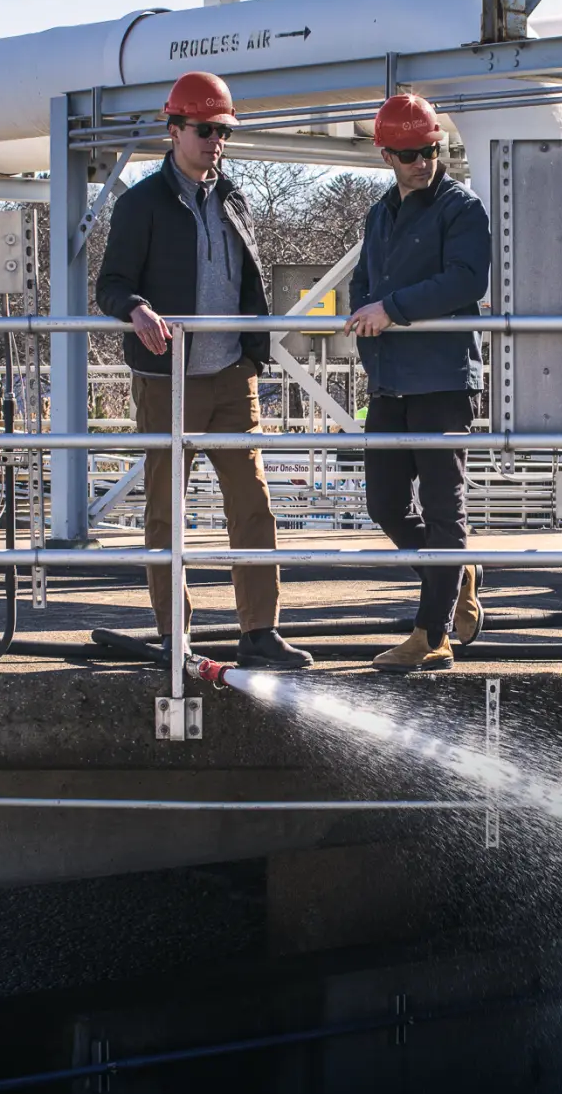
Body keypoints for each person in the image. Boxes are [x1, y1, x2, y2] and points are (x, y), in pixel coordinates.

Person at [95, 71, 312, 671]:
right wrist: (136, 308)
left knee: (254, 503)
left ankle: (260, 632)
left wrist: (251, 355)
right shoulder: (140, 204)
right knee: (166, 510)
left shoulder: (234, 197)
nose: (215, 141)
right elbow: (110, 285)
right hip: (167, 381)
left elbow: (246, 282)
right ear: (174, 130)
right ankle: (174, 636)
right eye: (205, 130)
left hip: (231, 377)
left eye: (223, 131)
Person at [344, 93, 489, 672]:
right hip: (390, 379)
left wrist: (390, 310)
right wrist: (366, 320)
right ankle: (454, 576)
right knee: (382, 502)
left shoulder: (461, 208)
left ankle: (432, 636)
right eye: (408, 154)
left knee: (442, 507)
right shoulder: (381, 212)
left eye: (429, 150)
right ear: (386, 154)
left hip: (443, 379)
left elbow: (465, 281)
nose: (421, 162)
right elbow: (363, 284)